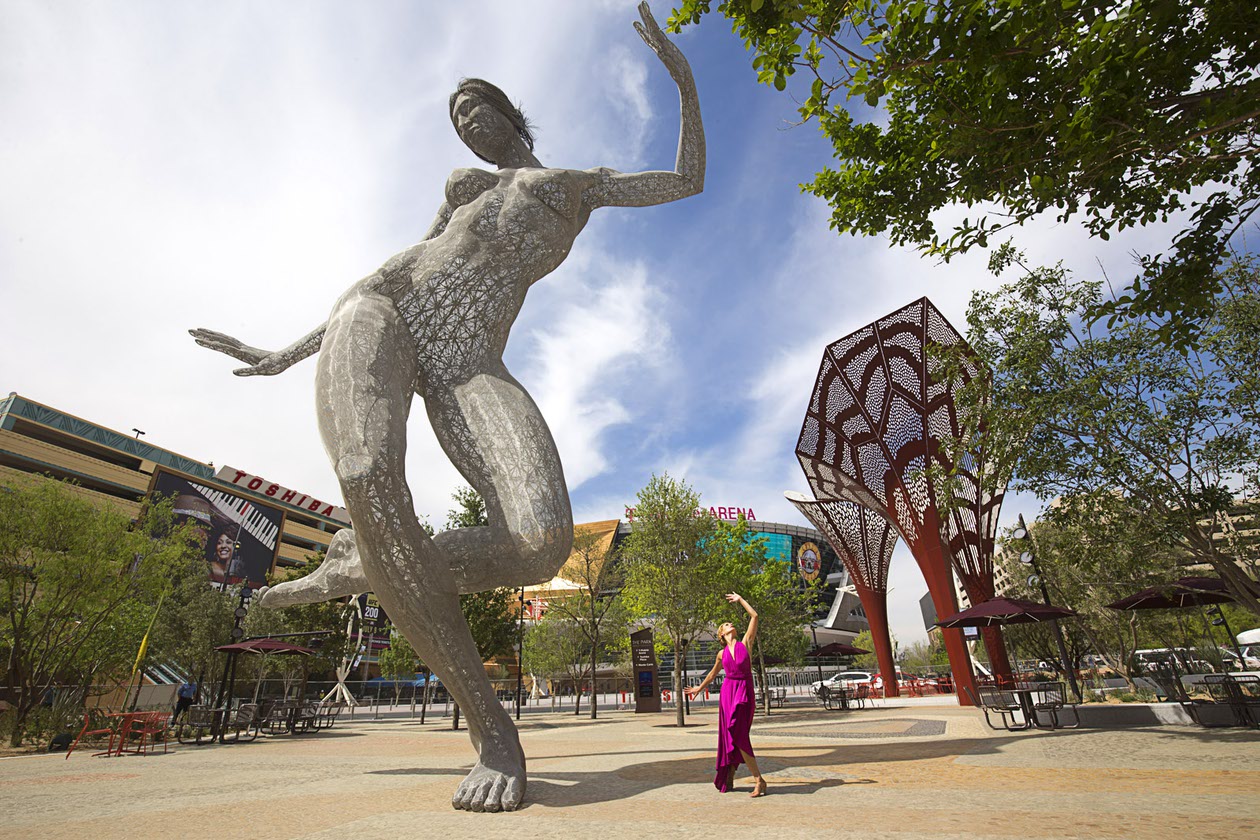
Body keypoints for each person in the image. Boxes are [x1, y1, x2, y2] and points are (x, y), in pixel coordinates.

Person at [189, 2, 702, 814]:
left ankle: (362, 565)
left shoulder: (571, 188)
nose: (467, 126)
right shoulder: (463, 187)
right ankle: (492, 734)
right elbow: (406, 266)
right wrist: (288, 351)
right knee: (366, 474)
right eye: (457, 117)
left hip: (470, 365)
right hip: (380, 317)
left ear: (508, 113)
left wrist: (682, 80)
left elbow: (685, 181)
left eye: (476, 109)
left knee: (540, 544)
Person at [685, 593, 767, 797]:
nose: (730, 624)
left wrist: (740, 600)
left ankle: (759, 780)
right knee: (731, 736)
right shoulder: (721, 654)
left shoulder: (746, 643)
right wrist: (699, 688)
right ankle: (731, 773)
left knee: (739, 734)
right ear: (721, 634)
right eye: (726, 624)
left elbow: (754, 616)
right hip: (728, 694)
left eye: (730, 623)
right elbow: (713, 674)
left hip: (744, 691)